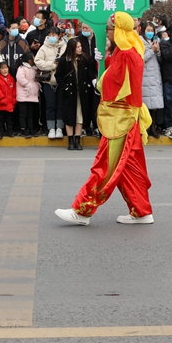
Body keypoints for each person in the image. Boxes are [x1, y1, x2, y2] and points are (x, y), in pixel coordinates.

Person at [54, 12, 154, 225]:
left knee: (104, 167)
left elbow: (111, 83)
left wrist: (99, 79)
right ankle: (142, 211)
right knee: (130, 167)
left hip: (119, 119)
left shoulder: (125, 54)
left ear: (117, 31)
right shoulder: (132, 49)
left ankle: (82, 210)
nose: (106, 32)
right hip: (128, 117)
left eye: (108, 29)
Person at [55, 38, 95, 150]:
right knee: (69, 115)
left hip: (82, 92)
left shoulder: (85, 59)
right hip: (69, 92)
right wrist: (65, 87)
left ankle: (77, 139)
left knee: (80, 116)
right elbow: (58, 76)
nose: (80, 49)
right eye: (77, 47)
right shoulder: (64, 60)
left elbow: (90, 72)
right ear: (72, 48)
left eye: (80, 46)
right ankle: (70, 140)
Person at [35, 27, 66, 138]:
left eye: (54, 35)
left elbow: (68, 61)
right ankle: (51, 128)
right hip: (48, 82)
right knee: (50, 105)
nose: (52, 37)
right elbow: (38, 61)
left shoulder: (64, 46)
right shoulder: (43, 47)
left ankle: (60, 128)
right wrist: (52, 65)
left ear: (59, 36)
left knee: (60, 105)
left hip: (61, 81)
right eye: (50, 35)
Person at [140, 23, 164, 136]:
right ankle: (145, 128)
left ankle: (153, 127)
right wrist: (151, 50)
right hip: (144, 76)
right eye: (148, 30)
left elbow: (160, 60)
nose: (150, 32)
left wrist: (158, 51)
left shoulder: (155, 41)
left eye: (152, 30)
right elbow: (141, 59)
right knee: (145, 104)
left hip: (154, 76)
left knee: (154, 105)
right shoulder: (140, 42)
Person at [15, 52, 39, 138]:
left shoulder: (34, 69)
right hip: (23, 94)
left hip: (31, 94)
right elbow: (20, 78)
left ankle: (30, 129)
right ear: (29, 60)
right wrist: (28, 85)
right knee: (23, 113)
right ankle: (23, 129)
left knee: (30, 114)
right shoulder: (22, 68)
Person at [0, 61, 16, 139]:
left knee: (9, 119)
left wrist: (14, 99)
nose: (5, 70)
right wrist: (2, 98)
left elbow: (14, 89)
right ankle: (0, 133)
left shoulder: (11, 78)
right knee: (0, 120)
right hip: (1, 103)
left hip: (10, 103)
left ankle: (10, 132)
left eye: (6, 68)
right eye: (2, 68)